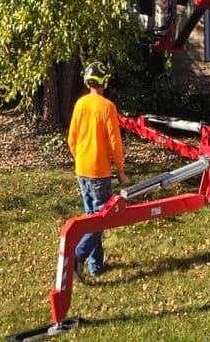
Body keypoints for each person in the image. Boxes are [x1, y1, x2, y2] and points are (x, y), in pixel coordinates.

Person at [67, 60, 126, 280]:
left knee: (92, 218)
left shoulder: (80, 104)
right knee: (102, 219)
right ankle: (77, 257)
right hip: (99, 173)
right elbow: (115, 143)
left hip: (81, 170)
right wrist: (120, 170)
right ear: (104, 81)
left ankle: (95, 266)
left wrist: (79, 158)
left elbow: (72, 138)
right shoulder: (108, 107)